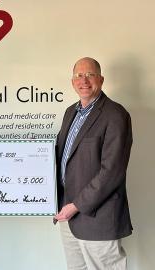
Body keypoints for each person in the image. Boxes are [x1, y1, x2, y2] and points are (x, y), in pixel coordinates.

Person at [54, 57, 133, 269]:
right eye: (79, 75)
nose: (84, 80)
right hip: (67, 215)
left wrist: (76, 206)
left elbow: (112, 171)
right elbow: (60, 157)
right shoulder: (70, 112)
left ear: (101, 79)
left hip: (98, 217)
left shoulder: (115, 115)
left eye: (90, 75)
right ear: (72, 82)